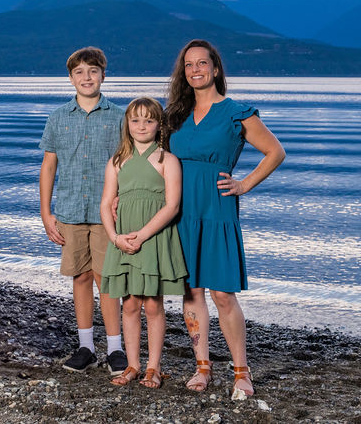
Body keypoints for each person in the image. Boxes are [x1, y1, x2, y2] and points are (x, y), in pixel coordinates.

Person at [166, 39, 285, 399]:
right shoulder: (175, 114)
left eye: (202, 63)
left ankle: (241, 371)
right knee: (190, 289)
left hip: (216, 209)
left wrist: (245, 183)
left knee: (222, 292)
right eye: (189, 65)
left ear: (215, 68)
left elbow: (275, 151)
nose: (196, 70)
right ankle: (202, 366)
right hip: (179, 209)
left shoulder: (236, 111)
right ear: (183, 72)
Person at [39, 46, 128, 376]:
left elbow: (128, 163)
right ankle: (86, 346)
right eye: (79, 72)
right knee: (81, 277)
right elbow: (49, 167)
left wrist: (124, 196)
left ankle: (116, 349)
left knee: (109, 278)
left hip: (108, 213)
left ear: (103, 75)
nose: (86, 77)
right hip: (71, 210)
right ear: (70, 78)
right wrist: (46, 213)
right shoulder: (58, 117)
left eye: (93, 71)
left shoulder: (120, 117)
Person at [100, 97, 188, 388]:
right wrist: (115, 237)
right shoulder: (117, 161)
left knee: (153, 304)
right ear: (127, 124)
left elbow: (172, 206)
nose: (142, 126)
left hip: (153, 238)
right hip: (123, 238)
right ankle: (133, 365)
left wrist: (143, 235)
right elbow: (105, 204)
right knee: (130, 304)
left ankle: (153, 367)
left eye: (149, 120)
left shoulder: (168, 160)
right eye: (135, 120)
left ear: (159, 125)